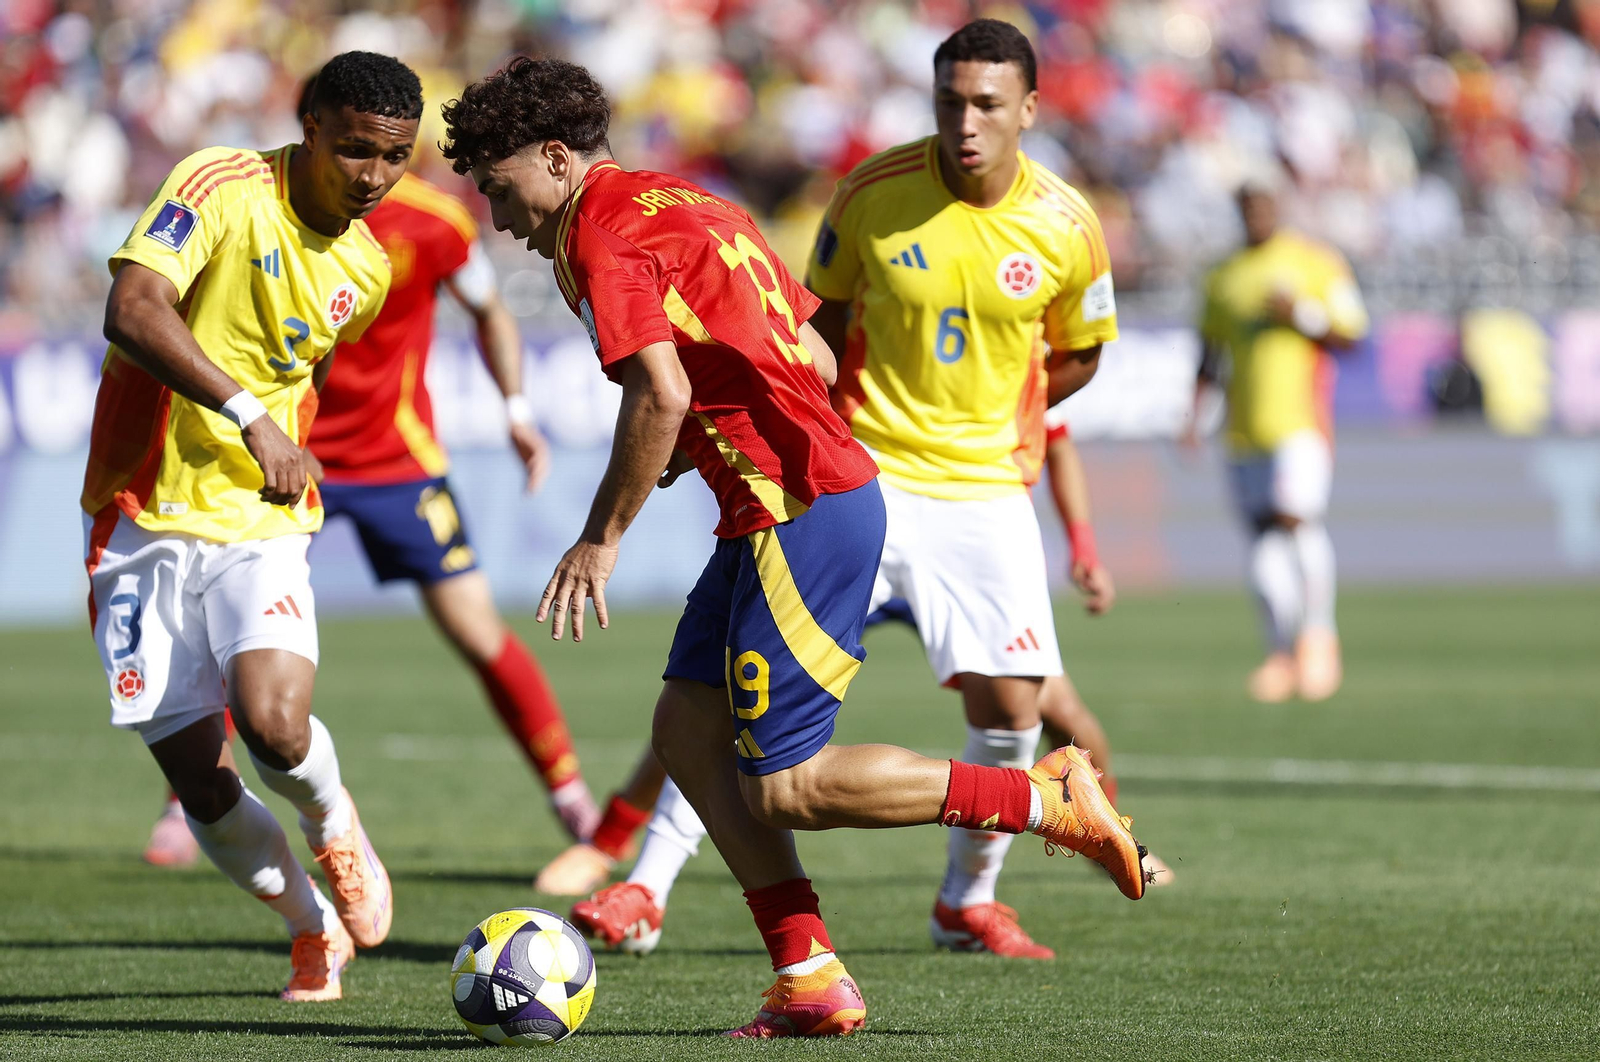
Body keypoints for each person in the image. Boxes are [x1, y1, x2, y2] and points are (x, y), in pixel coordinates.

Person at [443, 50, 1147, 1038]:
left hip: (797, 507)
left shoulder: (599, 235)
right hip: (790, 496)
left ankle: (1041, 797)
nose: (497, 214)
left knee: (785, 785)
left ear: (555, 157)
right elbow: (810, 351)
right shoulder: (688, 201)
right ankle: (808, 973)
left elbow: (661, 391)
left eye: (498, 185)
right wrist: (722, 435)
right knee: (687, 733)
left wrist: (601, 537)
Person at [82, 51, 418, 1002]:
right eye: (354, 150)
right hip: (137, 514)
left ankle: (334, 824)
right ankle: (311, 926)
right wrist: (249, 416)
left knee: (273, 724)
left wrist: (275, 437)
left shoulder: (367, 268)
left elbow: (304, 375)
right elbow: (131, 308)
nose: (374, 176)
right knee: (202, 784)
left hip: (257, 519)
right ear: (309, 128)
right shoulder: (220, 184)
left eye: (394, 157)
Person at [1185, 182, 1369, 703]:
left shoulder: (1314, 262)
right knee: (1263, 538)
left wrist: (1301, 315)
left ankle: (1319, 639)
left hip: (1300, 423)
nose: (1256, 216)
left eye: (1264, 206)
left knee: (1296, 519)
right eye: (1247, 208)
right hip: (1243, 430)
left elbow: (1353, 335)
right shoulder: (1223, 277)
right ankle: (1280, 653)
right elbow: (1209, 354)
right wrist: (1194, 415)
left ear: (1278, 208)